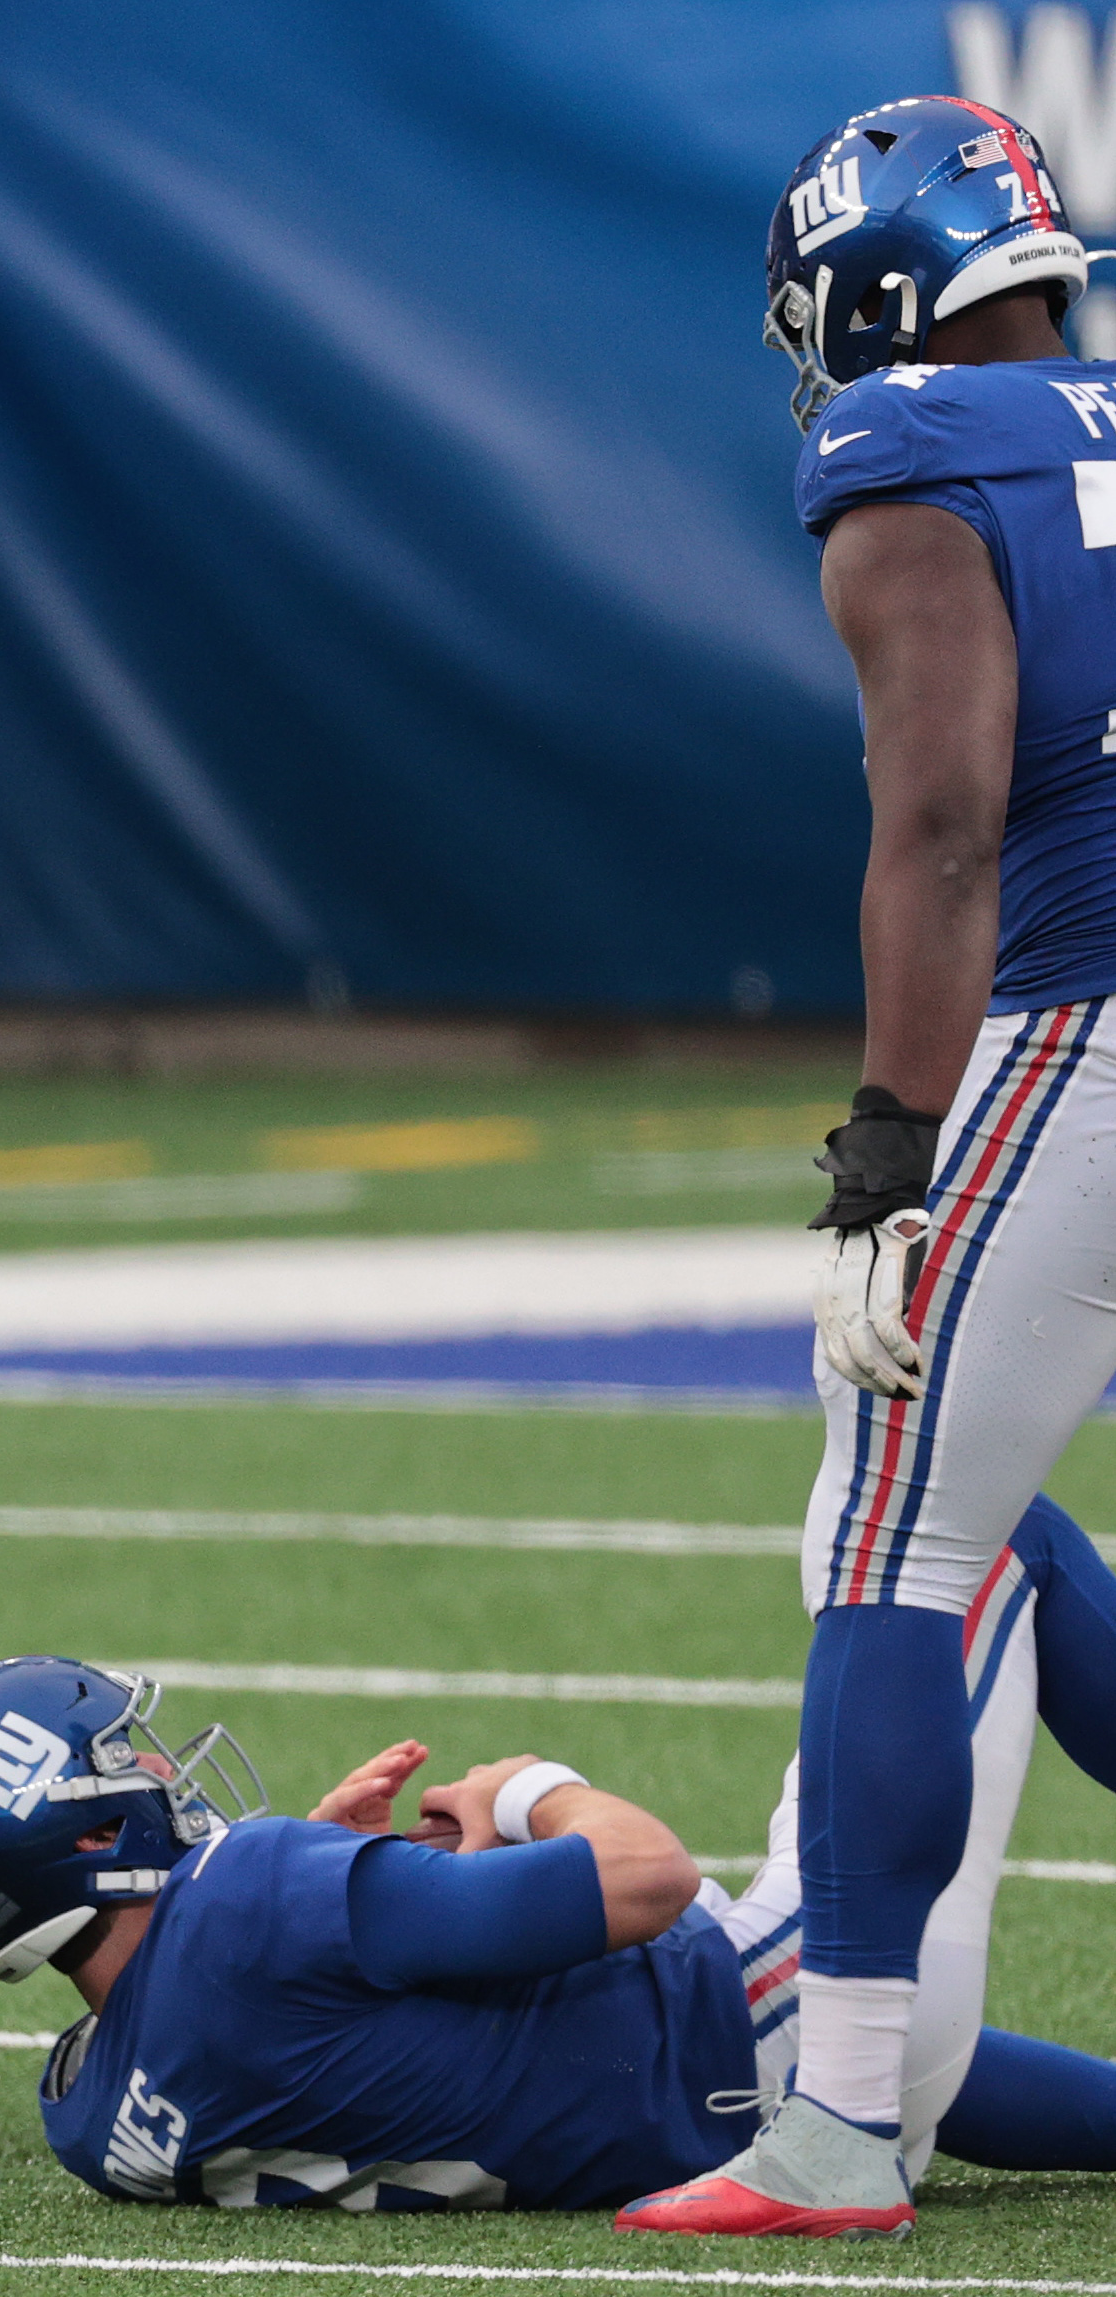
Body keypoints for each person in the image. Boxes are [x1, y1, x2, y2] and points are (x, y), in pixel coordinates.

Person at [618, 95, 1116, 2235]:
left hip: (1084, 1010)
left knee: (891, 1531)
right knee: (968, 1509)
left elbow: (943, 824)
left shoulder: (910, 443)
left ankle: (834, 2118)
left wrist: (888, 1160)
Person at [0, 1495, 1116, 2223]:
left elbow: (329, 2027)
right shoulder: (252, 1899)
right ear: (86, 1837)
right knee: (970, 1522)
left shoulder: (90, 2116)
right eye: (122, 1759)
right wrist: (526, 1787)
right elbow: (648, 1876)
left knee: (895, 2054)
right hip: (774, 2022)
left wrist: (342, 1879)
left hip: (713, 2114)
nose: (158, 1767)